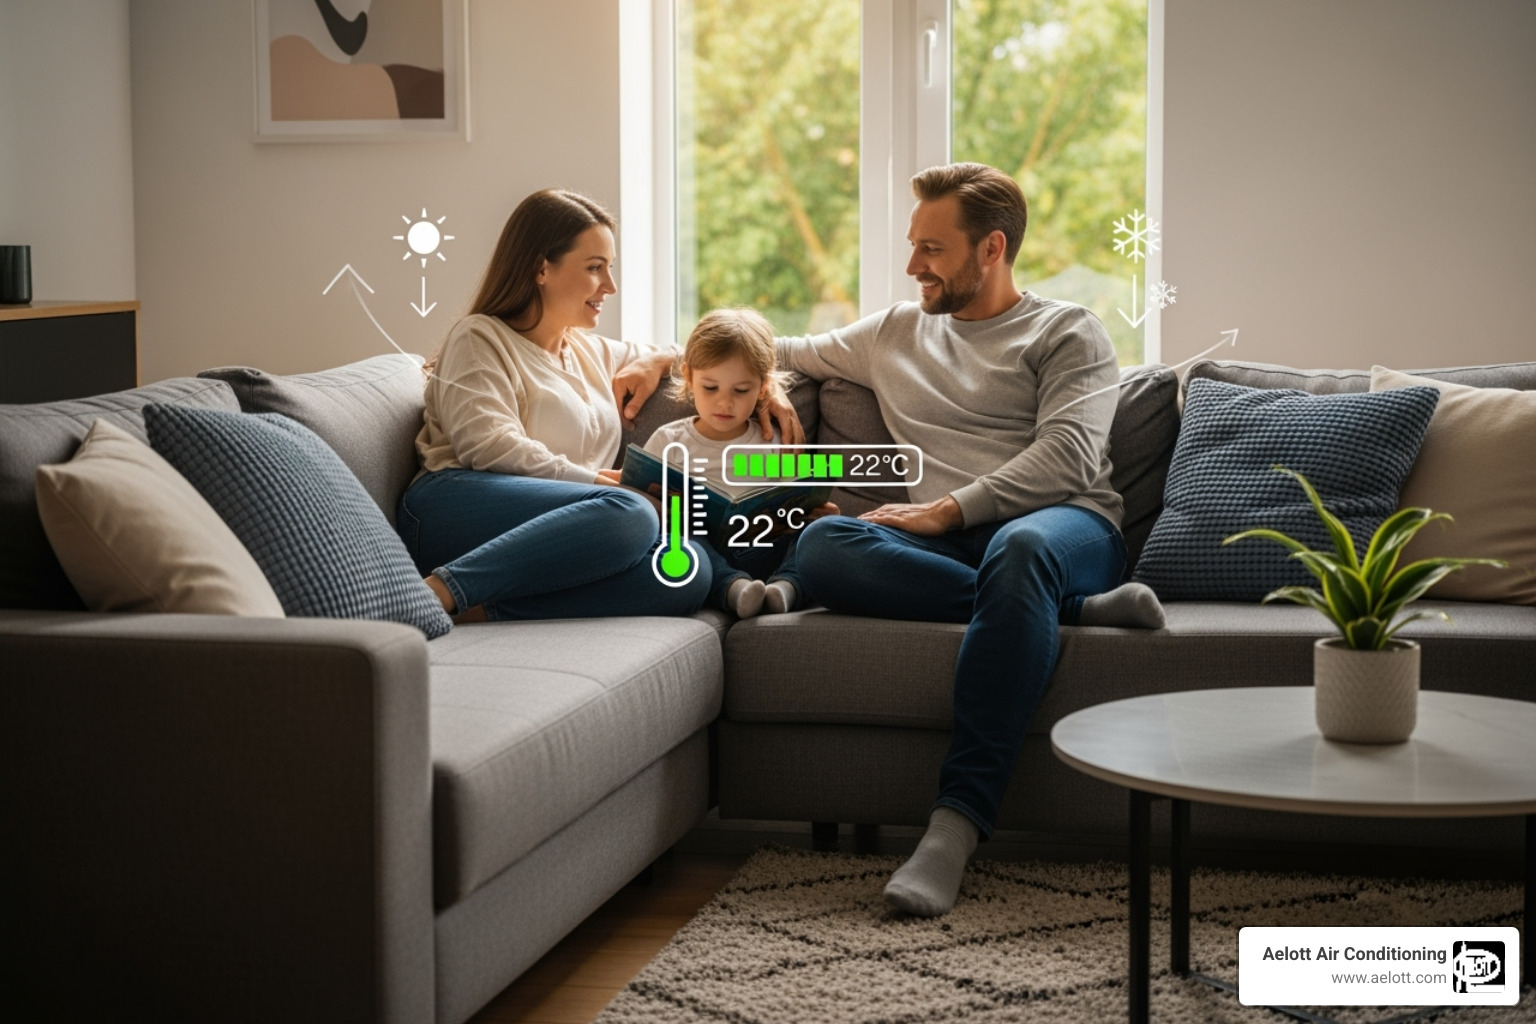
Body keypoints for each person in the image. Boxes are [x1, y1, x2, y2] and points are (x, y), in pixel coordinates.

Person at [623, 162, 1162, 915]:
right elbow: (766, 348)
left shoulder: (1066, 330)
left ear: (992, 249)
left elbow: (1069, 455)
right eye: (913, 245)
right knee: (821, 546)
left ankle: (956, 824)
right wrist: (660, 356)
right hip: (949, 549)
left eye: (931, 250)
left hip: (1062, 527)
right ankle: (1068, 611)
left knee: (1023, 554)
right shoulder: (893, 332)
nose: (912, 266)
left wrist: (949, 509)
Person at [398, 189, 798, 622]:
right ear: (541, 268)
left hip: (571, 524)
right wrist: (597, 483)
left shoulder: (590, 351)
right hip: (454, 506)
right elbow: (488, 448)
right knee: (632, 511)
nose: (610, 285)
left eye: (610, 268)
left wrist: (762, 386)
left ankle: (477, 611)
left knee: (688, 571)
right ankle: (430, 594)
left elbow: (709, 354)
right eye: (595, 268)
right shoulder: (480, 338)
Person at [643, 308, 836, 619]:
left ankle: (784, 589)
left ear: (762, 387)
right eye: (711, 387)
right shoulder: (670, 443)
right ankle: (734, 590)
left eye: (740, 390)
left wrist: (807, 513)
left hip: (763, 550)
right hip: (703, 553)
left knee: (819, 532)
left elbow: (791, 501)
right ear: (689, 377)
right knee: (676, 538)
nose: (724, 402)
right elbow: (643, 503)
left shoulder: (771, 443)